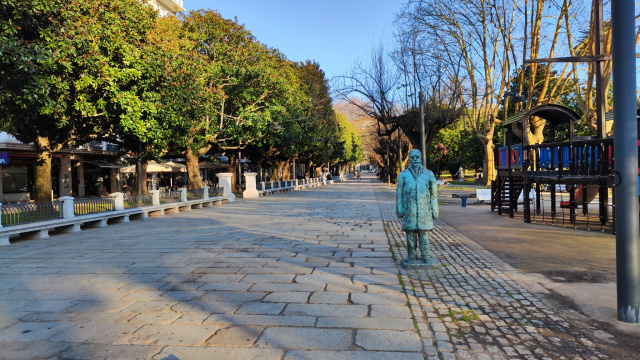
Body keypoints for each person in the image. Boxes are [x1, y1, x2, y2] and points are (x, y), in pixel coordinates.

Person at [396, 149, 439, 266]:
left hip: (424, 211)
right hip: (409, 210)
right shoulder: (403, 175)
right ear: (409, 159)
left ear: (421, 159)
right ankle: (411, 256)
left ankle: (426, 257)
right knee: (410, 236)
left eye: (417, 157)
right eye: (412, 157)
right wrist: (399, 208)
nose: (415, 159)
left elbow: (434, 194)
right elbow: (399, 194)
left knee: (424, 235)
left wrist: (435, 209)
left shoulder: (429, 174)